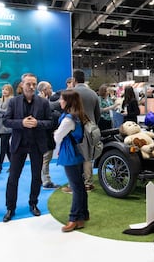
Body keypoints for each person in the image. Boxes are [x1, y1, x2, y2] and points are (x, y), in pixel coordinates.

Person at [2, 73, 53, 222]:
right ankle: (10, 208)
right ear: (22, 85)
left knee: (36, 177)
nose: (31, 87)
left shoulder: (43, 103)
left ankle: (33, 203)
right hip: (19, 145)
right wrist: (21, 123)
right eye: (28, 84)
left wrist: (38, 123)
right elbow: (6, 121)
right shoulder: (13, 102)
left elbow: (50, 122)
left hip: (37, 145)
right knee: (13, 178)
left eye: (33, 84)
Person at [54, 89, 90, 232]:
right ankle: (82, 216)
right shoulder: (78, 116)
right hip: (77, 154)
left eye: (62, 99)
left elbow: (57, 137)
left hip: (70, 155)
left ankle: (74, 218)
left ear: (68, 101)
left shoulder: (68, 119)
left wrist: (56, 133)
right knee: (79, 186)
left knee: (76, 187)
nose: (60, 101)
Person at [72, 69, 100, 192]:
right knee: (88, 157)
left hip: (74, 128)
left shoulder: (71, 92)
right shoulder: (93, 93)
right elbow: (97, 113)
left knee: (75, 155)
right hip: (90, 128)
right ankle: (88, 183)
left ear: (74, 79)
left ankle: (76, 182)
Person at [37, 81, 60, 190]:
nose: (52, 90)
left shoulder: (46, 101)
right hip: (43, 136)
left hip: (46, 136)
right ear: (44, 90)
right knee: (45, 159)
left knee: (44, 159)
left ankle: (43, 179)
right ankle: (46, 181)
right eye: (49, 88)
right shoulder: (40, 102)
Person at [0, 84, 14, 175]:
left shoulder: (11, 100)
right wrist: (0, 113)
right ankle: (13, 165)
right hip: (0, 126)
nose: (4, 91)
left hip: (7, 127)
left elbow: (8, 113)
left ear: (10, 91)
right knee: (6, 148)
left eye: (6, 89)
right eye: (3, 89)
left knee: (3, 147)